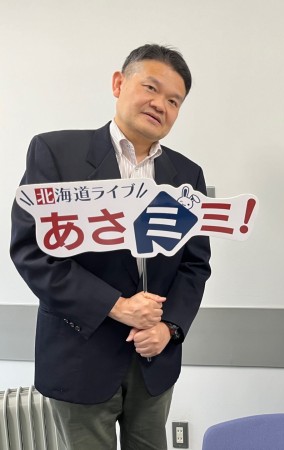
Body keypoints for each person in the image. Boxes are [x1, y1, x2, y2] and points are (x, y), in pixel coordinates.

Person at [10, 44, 211, 450]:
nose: (161, 105)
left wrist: (169, 327)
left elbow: (195, 265)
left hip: (154, 360)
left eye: (174, 101)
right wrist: (115, 306)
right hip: (79, 354)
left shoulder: (187, 175)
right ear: (119, 84)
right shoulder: (56, 153)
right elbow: (33, 252)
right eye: (151, 88)